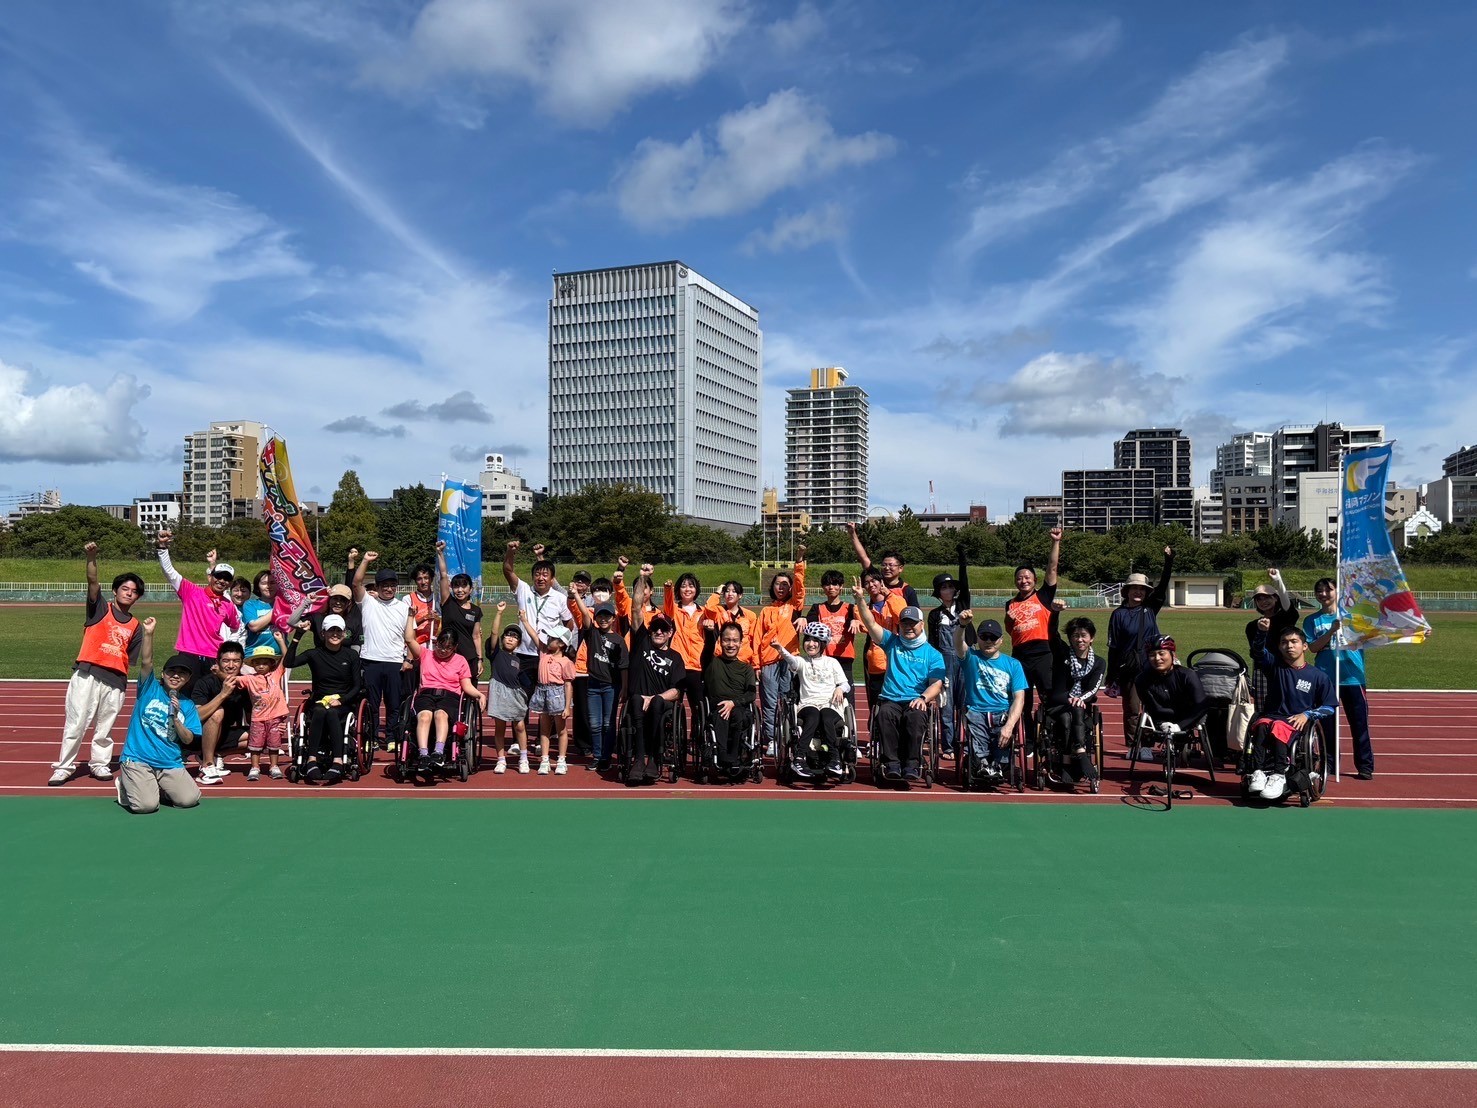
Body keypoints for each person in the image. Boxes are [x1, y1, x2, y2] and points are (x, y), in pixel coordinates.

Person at [49, 542, 145, 786]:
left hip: (115, 680)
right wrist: (91, 557)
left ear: (138, 597)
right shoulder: (100, 609)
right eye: (125, 589)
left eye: (134, 591)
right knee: (76, 722)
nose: (129, 593)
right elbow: (92, 581)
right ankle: (64, 767)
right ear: (115, 591)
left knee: (105, 728)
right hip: (88, 673)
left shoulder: (136, 627)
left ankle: (100, 764)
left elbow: (130, 659)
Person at [854, 587, 945, 783]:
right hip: (891, 699)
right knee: (885, 714)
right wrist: (861, 600)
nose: (908, 627)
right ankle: (891, 763)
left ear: (921, 624)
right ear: (899, 625)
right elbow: (870, 623)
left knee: (915, 717)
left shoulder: (933, 654)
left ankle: (912, 763)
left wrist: (923, 698)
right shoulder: (892, 642)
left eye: (912, 623)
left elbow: (936, 684)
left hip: (916, 700)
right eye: (904, 623)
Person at [115, 619, 203, 815]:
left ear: (187, 679)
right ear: (163, 674)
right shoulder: (149, 689)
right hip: (138, 758)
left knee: (189, 799)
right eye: (172, 671)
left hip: (168, 761)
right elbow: (147, 662)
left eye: (182, 674)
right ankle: (128, 786)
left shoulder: (188, 706)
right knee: (146, 806)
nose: (176, 676)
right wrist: (148, 634)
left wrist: (176, 717)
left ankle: (153, 787)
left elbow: (189, 739)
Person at [1246, 626, 1338, 801]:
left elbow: (1330, 706)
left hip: (1296, 722)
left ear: (1304, 646)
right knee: (1262, 724)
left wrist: (1308, 714)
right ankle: (1257, 772)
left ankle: (1279, 775)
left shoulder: (1317, 676)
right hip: (1271, 717)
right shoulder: (1274, 666)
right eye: (1284, 642)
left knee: (1279, 726)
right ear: (1279, 647)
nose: (1289, 646)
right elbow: (1257, 651)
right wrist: (1262, 632)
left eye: (1294, 641)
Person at [1305, 577, 1374, 780]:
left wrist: (1414, 632)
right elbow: (1313, 647)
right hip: (1326, 678)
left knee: (1359, 724)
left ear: (1337, 592)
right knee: (1328, 726)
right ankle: (1329, 764)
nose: (1324, 594)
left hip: (1353, 677)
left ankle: (1365, 766)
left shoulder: (1353, 617)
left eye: (1328, 590)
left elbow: (1380, 634)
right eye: (1319, 591)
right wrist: (1331, 631)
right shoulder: (1312, 620)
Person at [1106, 546, 1174, 751]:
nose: (1138, 592)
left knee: (1156, 707)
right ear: (1126, 592)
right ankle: (1135, 746)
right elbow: (1114, 647)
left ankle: (1150, 743)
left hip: (1154, 665)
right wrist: (1111, 674)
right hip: (1130, 668)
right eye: (1134, 588)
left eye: (1142, 589)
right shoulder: (1118, 615)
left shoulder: (1150, 609)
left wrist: (1168, 561)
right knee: (1133, 709)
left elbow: (1162, 586)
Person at [154, 530, 240, 688]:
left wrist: (227, 648)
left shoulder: (228, 605)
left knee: (209, 699)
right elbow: (170, 572)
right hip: (188, 654)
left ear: (230, 583)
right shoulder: (191, 592)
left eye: (227, 579)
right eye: (218, 576)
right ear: (211, 576)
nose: (221, 581)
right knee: (184, 697)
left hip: (213, 657)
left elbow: (236, 627)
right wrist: (162, 547)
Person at [284, 613, 363, 784]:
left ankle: (338, 761)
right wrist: (297, 636)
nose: (334, 634)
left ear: (343, 633)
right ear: (323, 634)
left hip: (343, 703)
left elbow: (357, 686)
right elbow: (288, 663)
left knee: (332, 712)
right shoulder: (314, 654)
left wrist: (341, 700)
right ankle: (311, 759)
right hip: (319, 701)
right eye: (330, 631)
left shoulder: (351, 656)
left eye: (338, 631)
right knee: (320, 710)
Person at [351, 551, 417, 753]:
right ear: (377, 587)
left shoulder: (404, 607)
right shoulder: (368, 602)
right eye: (384, 585)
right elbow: (356, 584)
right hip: (370, 661)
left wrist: (409, 659)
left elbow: (410, 636)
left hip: (395, 662)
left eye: (392, 585)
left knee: (394, 704)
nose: (388, 589)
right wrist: (365, 561)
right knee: (371, 704)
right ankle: (370, 738)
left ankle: (391, 737)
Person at [1005, 526, 1063, 753]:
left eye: (1027, 577)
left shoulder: (1044, 595)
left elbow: (1052, 567)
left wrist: (1055, 542)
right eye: (1019, 578)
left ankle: (1052, 737)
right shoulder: (1010, 604)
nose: (1023, 580)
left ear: (1035, 580)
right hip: (1020, 657)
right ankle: (1029, 741)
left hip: (1043, 653)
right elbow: (1011, 630)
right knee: (1023, 701)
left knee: (1049, 699)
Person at [624, 572, 684, 785]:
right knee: (638, 699)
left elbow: (677, 691)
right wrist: (641, 577)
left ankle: (655, 760)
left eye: (663, 629)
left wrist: (656, 696)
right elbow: (635, 607)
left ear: (670, 633)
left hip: (661, 703)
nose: (658, 631)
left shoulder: (675, 658)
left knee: (657, 701)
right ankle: (639, 759)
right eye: (655, 629)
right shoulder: (642, 643)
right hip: (639, 699)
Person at [953, 615, 1027, 783]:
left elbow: (1019, 698)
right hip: (976, 711)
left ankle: (999, 765)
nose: (988, 641)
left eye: (993, 637)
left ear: (1001, 640)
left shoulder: (1013, 665)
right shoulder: (971, 657)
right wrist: (962, 625)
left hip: (1001, 712)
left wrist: (1009, 726)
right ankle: (983, 763)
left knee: (1003, 732)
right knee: (975, 724)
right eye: (984, 637)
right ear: (978, 639)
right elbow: (957, 644)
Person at [774, 623, 851, 780]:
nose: (811, 644)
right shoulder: (802, 662)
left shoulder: (832, 663)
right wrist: (780, 649)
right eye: (808, 640)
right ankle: (799, 758)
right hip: (808, 703)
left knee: (827, 717)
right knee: (814, 715)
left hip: (829, 703)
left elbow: (845, 684)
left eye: (816, 640)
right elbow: (792, 661)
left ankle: (835, 759)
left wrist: (840, 689)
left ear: (823, 644)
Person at [1043, 607, 1106, 790]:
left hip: (1081, 707)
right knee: (1066, 716)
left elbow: (1094, 688)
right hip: (1058, 704)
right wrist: (1054, 613)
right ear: (1070, 639)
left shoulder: (1099, 662)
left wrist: (1080, 699)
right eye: (1075, 635)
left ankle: (1076, 756)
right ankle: (1077, 752)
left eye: (1084, 635)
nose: (1079, 639)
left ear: (1091, 638)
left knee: (1075, 711)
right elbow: (1052, 633)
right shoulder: (1062, 653)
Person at [406, 630, 485, 772]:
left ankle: (438, 752)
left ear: (455, 647)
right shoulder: (426, 654)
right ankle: (423, 754)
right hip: (426, 694)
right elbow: (409, 640)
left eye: (448, 648)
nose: (443, 651)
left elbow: (466, 685)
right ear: (436, 643)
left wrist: (480, 695)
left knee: (440, 714)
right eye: (440, 646)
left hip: (449, 696)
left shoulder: (460, 661)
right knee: (424, 716)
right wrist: (411, 616)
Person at [752, 547, 807, 750]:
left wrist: (799, 561)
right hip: (768, 662)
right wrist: (756, 664)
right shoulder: (766, 610)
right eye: (778, 583)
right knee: (769, 702)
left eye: (785, 584)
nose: (781, 587)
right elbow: (757, 638)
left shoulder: (794, 606)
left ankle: (786, 735)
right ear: (772, 587)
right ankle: (771, 739)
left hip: (789, 660)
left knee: (787, 701)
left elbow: (800, 586)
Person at [570, 592, 629, 773]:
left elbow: (624, 667)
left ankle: (606, 756)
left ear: (613, 619)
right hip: (593, 686)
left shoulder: (619, 640)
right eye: (600, 616)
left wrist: (624, 688)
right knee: (594, 723)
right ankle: (597, 756)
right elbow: (584, 615)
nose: (603, 619)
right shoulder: (592, 634)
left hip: (611, 686)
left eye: (607, 616)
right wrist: (576, 596)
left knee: (607, 723)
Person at [502, 540, 573, 689]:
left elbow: (568, 624)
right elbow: (508, 571)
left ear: (552, 579)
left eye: (545, 575)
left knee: (549, 698)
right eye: (537, 574)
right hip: (524, 654)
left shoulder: (560, 598)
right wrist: (510, 551)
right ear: (533, 576)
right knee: (522, 697)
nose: (541, 578)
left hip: (549, 654)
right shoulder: (524, 590)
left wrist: (560, 644)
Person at [927, 547, 974, 757]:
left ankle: (965, 743)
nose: (948, 590)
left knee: (966, 704)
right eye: (944, 587)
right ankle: (948, 746)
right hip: (944, 662)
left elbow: (965, 582)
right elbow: (932, 642)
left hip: (966, 660)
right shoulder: (935, 615)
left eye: (950, 586)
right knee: (946, 706)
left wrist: (962, 560)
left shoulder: (963, 604)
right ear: (938, 592)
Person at [1132, 636, 1208, 762]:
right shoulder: (1142, 680)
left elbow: (1202, 705)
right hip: (1161, 720)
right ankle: (1145, 747)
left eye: (1162, 654)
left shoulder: (1188, 675)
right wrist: (1161, 724)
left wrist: (1179, 726)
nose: (1157, 659)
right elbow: (1152, 707)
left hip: (1188, 719)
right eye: (1152, 655)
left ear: (1172, 654)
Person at [664, 572, 712, 756]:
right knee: (672, 705)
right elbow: (668, 605)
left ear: (696, 589)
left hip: (697, 667)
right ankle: (671, 740)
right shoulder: (674, 610)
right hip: (677, 665)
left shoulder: (703, 612)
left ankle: (698, 740)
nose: (687, 589)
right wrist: (668, 589)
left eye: (691, 586)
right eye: (683, 586)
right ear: (678, 589)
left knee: (698, 708)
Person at [190, 642, 251, 785]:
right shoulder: (205, 682)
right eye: (226, 661)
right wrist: (223, 695)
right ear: (217, 662)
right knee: (217, 712)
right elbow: (196, 716)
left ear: (242, 663)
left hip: (223, 735)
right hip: (198, 735)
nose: (231, 665)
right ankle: (207, 765)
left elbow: (251, 717)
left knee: (264, 735)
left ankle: (215, 754)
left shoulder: (245, 684)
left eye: (236, 661)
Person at [704, 623, 758, 780]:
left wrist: (734, 703)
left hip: (738, 705)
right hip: (717, 705)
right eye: (727, 640)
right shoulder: (711, 662)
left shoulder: (746, 668)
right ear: (720, 641)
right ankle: (722, 755)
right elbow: (708, 647)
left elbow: (751, 695)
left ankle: (734, 757)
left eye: (735, 640)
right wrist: (709, 632)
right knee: (722, 712)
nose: (731, 644)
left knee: (738, 715)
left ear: (741, 642)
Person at [485, 604, 534, 774]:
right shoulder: (496, 653)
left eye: (514, 637)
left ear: (519, 643)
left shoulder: (519, 661)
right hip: (499, 691)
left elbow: (526, 682)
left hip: (515, 694)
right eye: (508, 635)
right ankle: (501, 760)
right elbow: (493, 633)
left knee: (519, 726)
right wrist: (499, 612)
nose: (510, 638)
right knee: (500, 727)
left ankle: (523, 758)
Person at [805, 570, 862, 705]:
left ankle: (848, 724)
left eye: (835, 584)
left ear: (841, 586)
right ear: (823, 588)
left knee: (847, 698)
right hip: (823, 659)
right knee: (824, 696)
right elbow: (810, 629)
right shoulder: (817, 608)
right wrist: (802, 618)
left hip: (844, 659)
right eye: (827, 584)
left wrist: (856, 620)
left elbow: (864, 624)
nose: (831, 588)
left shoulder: (850, 608)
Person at [1244, 568, 1297, 711]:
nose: (1263, 601)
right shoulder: (1252, 626)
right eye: (1259, 599)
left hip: (1286, 667)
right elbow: (1256, 651)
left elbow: (1288, 606)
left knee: (1287, 705)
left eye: (1267, 597)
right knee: (1262, 709)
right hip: (1262, 671)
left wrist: (1278, 580)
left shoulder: (1284, 618)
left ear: (1276, 598)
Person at [237, 642, 291, 782]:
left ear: (271, 664)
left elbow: (286, 657)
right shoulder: (249, 679)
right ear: (253, 665)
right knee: (255, 746)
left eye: (264, 663)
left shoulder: (276, 674)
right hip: (258, 718)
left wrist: (280, 641)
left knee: (274, 744)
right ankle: (255, 767)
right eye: (257, 663)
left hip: (275, 717)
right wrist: (219, 672)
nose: (261, 666)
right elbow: (232, 679)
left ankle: (274, 766)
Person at [859, 568, 907, 717]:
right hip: (877, 661)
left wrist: (888, 595)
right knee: (876, 701)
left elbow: (902, 617)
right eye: (866, 583)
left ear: (881, 582)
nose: (871, 585)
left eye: (874, 581)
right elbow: (864, 625)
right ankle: (876, 735)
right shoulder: (863, 608)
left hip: (898, 660)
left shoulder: (895, 600)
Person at [435, 541, 484, 684]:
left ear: (470, 589)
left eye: (464, 586)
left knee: (470, 694)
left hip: (469, 658)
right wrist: (440, 553)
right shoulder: (448, 602)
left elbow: (476, 637)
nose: (460, 590)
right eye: (456, 586)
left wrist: (479, 659)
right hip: (448, 656)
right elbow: (444, 575)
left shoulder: (476, 610)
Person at [531, 625, 577, 775]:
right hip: (542, 691)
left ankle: (561, 760)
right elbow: (535, 638)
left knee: (561, 730)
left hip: (557, 694)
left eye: (552, 639)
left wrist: (567, 706)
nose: (548, 640)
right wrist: (524, 620)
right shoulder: (544, 654)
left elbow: (568, 685)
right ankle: (545, 760)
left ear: (561, 644)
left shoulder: (566, 662)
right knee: (544, 729)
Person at [847, 522, 919, 606]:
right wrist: (852, 533)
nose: (887, 568)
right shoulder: (876, 582)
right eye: (884, 565)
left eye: (891, 565)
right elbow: (863, 557)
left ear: (900, 568)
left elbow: (915, 613)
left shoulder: (907, 590)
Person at [703, 579, 757, 667]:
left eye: (734, 591)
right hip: (722, 658)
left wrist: (755, 663)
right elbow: (708, 609)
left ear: (740, 595)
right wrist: (717, 593)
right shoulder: (718, 612)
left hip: (743, 660)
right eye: (727, 591)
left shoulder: (750, 615)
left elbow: (753, 640)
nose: (730, 594)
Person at [312, 584, 363, 652]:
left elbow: (356, 644)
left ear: (349, 603)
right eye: (335, 598)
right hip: (320, 660)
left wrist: (352, 659)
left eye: (343, 600)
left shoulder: (354, 622)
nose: (338, 602)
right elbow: (293, 622)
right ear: (329, 599)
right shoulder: (317, 618)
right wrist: (307, 601)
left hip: (345, 661)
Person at [241, 571, 278, 654]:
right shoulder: (250, 604)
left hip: (279, 655)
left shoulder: (286, 604)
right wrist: (278, 608)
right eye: (264, 583)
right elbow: (254, 626)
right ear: (258, 586)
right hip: (254, 656)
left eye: (272, 583)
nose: (268, 586)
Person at [408, 561, 439, 651]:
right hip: (416, 647)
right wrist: (425, 618)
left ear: (431, 579)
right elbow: (406, 626)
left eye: (426, 578)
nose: (423, 582)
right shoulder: (408, 599)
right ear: (415, 581)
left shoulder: (438, 599)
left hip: (436, 648)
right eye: (419, 579)